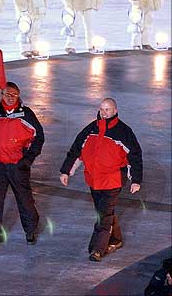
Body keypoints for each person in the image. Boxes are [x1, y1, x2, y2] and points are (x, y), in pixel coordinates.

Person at [59, 98, 143, 262]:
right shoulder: (91, 129)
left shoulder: (123, 132)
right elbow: (77, 150)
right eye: (102, 109)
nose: (104, 113)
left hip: (113, 180)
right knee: (104, 211)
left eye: (108, 110)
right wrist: (66, 171)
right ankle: (116, 240)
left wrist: (136, 180)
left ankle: (98, 248)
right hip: (94, 180)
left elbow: (135, 156)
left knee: (103, 215)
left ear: (115, 111)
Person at [0, 82, 45, 251]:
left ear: (18, 96)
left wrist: (27, 159)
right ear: (1, 95)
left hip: (17, 165)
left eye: (13, 95)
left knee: (24, 199)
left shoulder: (26, 114)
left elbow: (39, 137)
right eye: (6, 94)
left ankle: (30, 230)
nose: (9, 97)